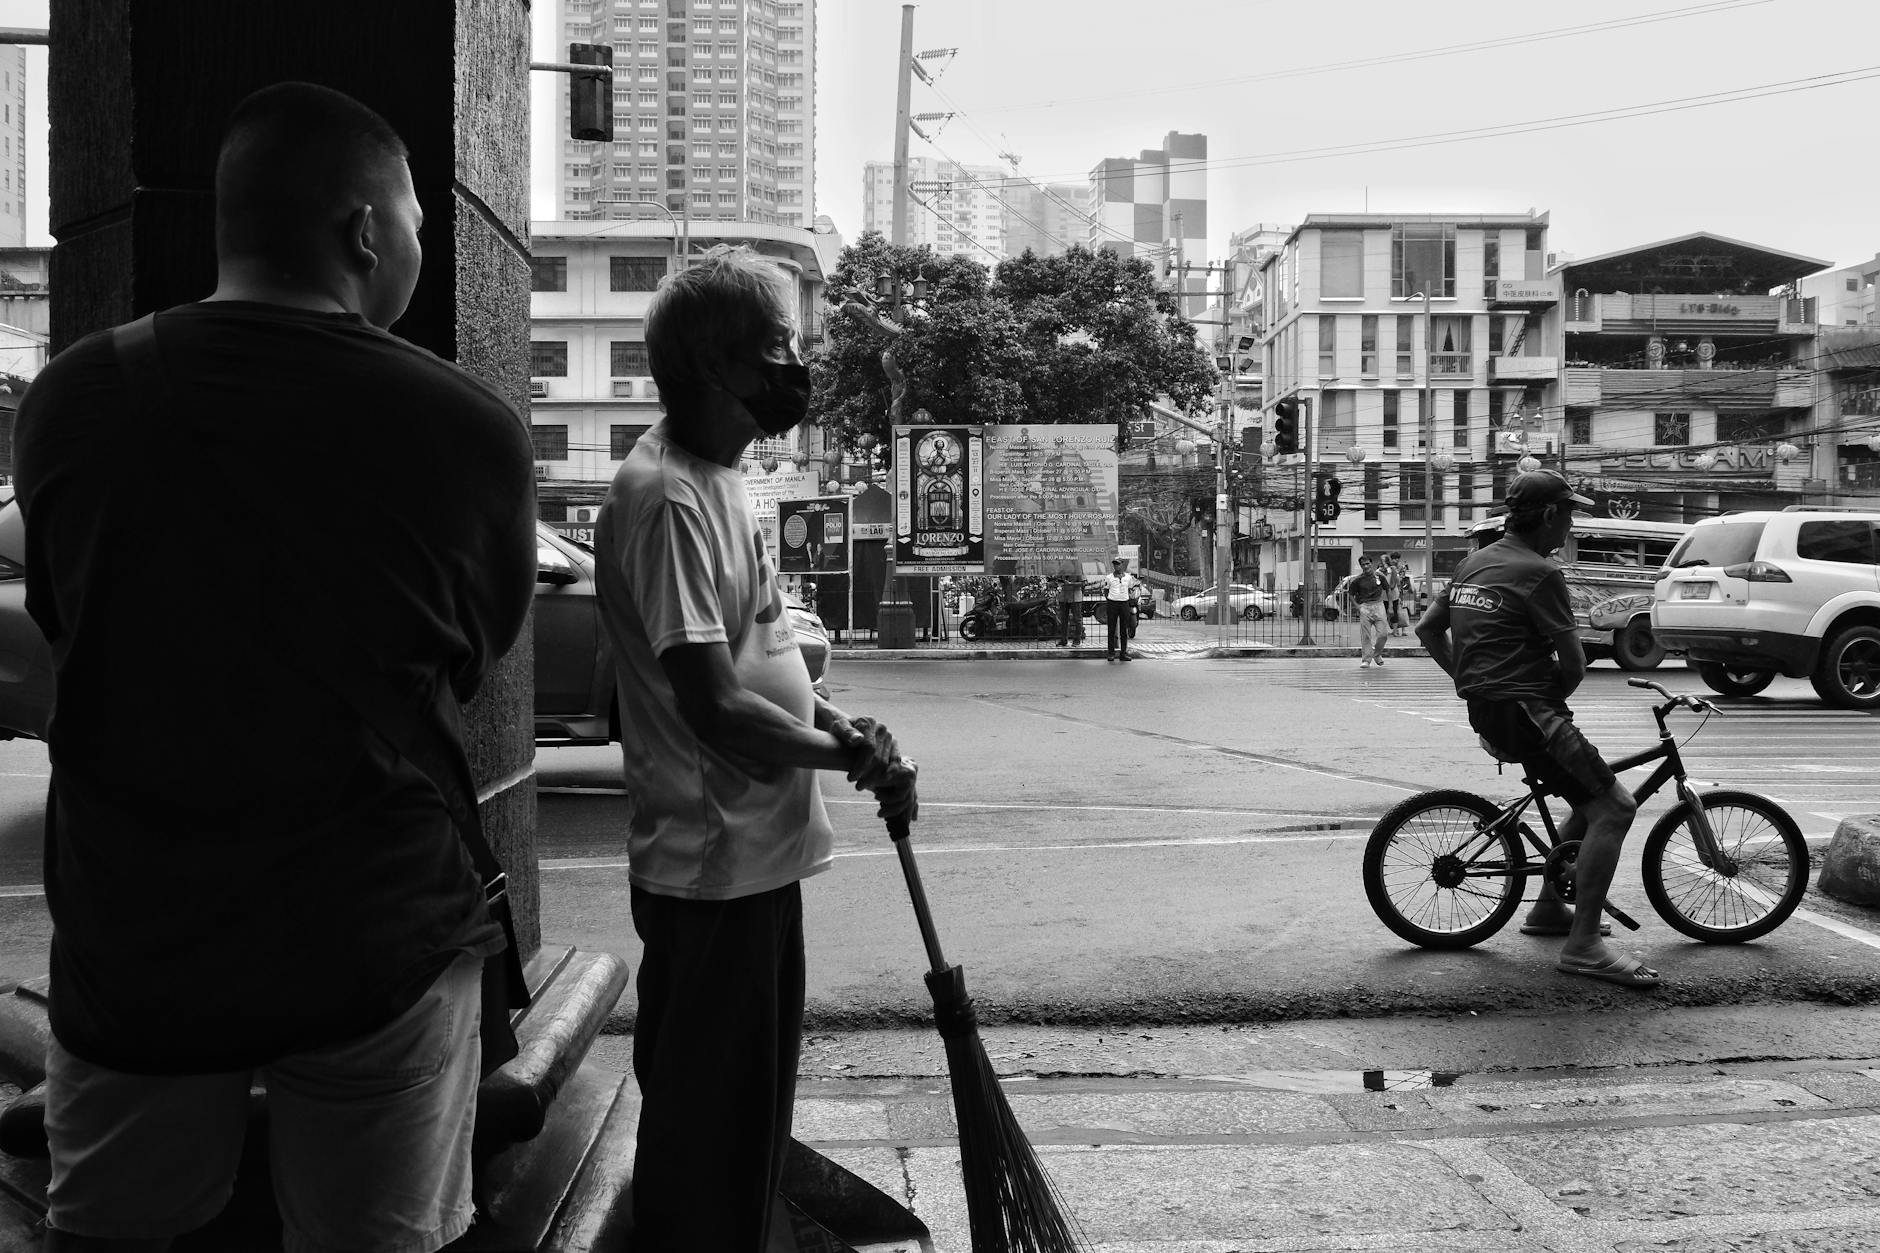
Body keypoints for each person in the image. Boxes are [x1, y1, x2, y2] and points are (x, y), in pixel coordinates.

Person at [13, 82, 537, 1252]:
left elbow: (68, 622)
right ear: (363, 231)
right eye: (410, 220)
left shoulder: (68, 401)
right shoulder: (462, 427)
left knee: (111, 1234)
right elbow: (473, 652)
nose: (413, 243)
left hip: (135, 930)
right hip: (372, 931)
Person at [594, 245, 918, 1253]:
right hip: (712, 872)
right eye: (776, 346)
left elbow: (767, 654)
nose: (795, 367)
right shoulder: (668, 498)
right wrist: (848, 762)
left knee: (743, 1124)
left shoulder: (726, 480)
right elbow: (714, 705)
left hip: (756, 863)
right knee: (707, 1135)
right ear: (713, 363)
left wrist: (837, 725)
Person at [1416, 470, 1650, 988]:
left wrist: (1473, 683)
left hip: (1490, 707)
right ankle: (1584, 946)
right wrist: (1547, 710)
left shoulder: (1473, 563)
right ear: (1548, 516)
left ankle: (1548, 910)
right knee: (1615, 807)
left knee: (1587, 797)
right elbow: (1574, 665)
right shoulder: (1540, 573)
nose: (1569, 527)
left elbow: (1428, 629)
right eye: (1568, 515)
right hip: (1528, 709)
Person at [1100, 556, 1142, 661]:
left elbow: (1131, 589)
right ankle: (1111, 653)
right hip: (1112, 603)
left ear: (1122, 565)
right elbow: (1106, 590)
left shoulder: (1128, 577)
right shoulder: (1109, 577)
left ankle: (1123, 653)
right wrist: (1110, 599)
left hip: (1124, 604)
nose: (1116, 566)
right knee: (1111, 629)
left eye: (1118, 564)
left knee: (1124, 629)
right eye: (1114, 564)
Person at [1349, 555, 1389, 667]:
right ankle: (1366, 659)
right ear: (1361, 566)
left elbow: (1388, 589)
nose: (1366, 566)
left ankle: (1377, 654)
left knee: (1383, 634)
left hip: (1379, 606)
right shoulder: (1357, 580)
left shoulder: (1379, 577)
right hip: (1365, 607)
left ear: (1371, 564)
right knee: (1365, 635)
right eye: (1363, 564)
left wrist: (1389, 606)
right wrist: (1358, 607)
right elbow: (1351, 594)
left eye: (1367, 563)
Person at [1383, 552, 1409, 636]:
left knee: (1401, 610)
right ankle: (1396, 630)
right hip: (1394, 591)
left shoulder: (1402, 567)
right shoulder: (1389, 567)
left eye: (1397, 558)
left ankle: (1403, 629)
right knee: (1394, 611)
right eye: (1394, 558)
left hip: (1400, 590)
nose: (1395, 560)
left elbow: (1402, 579)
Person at [1055, 571, 1084, 647]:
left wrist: (1071, 584)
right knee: (1063, 619)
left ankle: (1077, 640)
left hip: (1075, 597)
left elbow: (1083, 583)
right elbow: (1056, 581)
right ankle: (1063, 640)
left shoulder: (1078, 571)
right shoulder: (1062, 571)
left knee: (1077, 619)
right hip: (1064, 597)